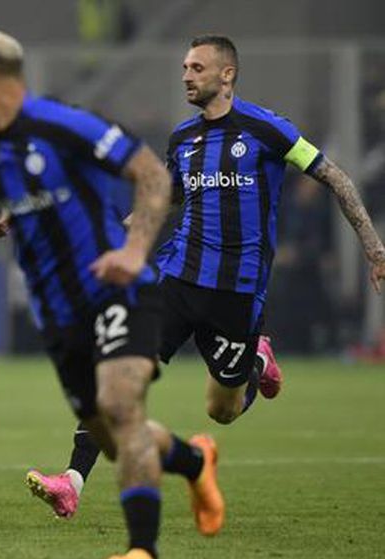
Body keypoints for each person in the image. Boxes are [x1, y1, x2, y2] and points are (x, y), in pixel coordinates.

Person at [35, 35, 385, 523]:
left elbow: (336, 178)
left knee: (222, 410)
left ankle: (256, 362)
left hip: (237, 294)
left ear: (227, 75)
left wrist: (374, 248)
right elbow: (163, 200)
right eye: (184, 67)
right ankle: (71, 482)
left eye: (197, 68)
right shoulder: (183, 138)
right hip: (176, 280)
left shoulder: (267, 128)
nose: (186, 75)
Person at [0, 31, 224, 559]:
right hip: (59, 315)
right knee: (113, 437)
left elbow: (152, 176)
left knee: (120, 405)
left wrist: (134, 250)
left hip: (117, 290)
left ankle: (143, 552)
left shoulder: (64, 125)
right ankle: (193, 460)